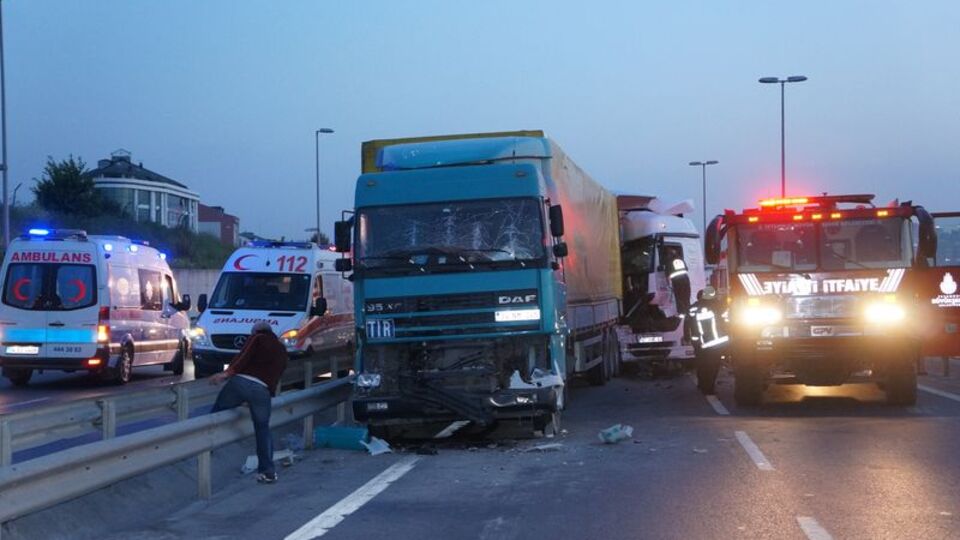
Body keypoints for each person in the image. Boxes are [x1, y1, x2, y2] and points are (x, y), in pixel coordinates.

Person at [210, 321, 288, 484]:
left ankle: (206, 445)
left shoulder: (257, 338)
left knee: (217, 411)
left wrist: (225, 375)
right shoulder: (281, 349)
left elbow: (242, 358)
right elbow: (277, 375)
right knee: (262, 429)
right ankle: (268, 471)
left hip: (241, 383)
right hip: (263, 391)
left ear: (257, 331)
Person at [685, 287, 729, 395]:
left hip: (699, 343)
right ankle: (708, 388)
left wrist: (687, 337)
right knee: (713, 366)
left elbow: (687, 324)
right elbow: (726, 319)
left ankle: (702, 384)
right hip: (715, 343)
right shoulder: (717, 306)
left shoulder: (693, 308)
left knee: (702, 363)